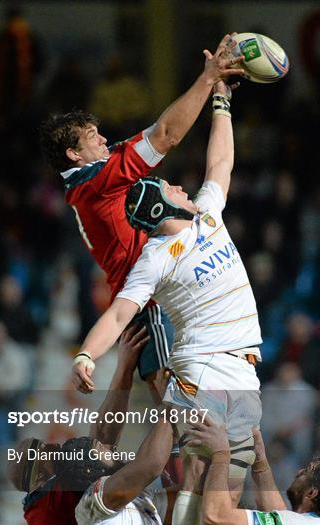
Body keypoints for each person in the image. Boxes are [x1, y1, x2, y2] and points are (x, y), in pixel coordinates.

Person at [71, 77, 263, 525]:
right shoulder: (154, 261)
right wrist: (85, 354)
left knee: (223, 499)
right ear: (157, 207)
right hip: (201, 368)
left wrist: (223, 103)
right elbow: (118, 314)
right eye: (169, 186)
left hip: (245, 370)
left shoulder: (207, 213)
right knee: (187, 471)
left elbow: (221, 162)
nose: (179, 185)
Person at [39, 34, 244, 395]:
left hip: (163, 287)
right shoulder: (98, 181)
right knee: (176, 411)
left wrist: (220, 101)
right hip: (148, 300)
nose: (104, 139)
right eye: (92, 136)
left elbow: (192, 150)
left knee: (186, 416)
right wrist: (208, 78)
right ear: (73, 154)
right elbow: (166, 135)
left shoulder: (97, 175)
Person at [7, 325, 158, 525]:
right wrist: (173, 405)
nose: (52, 445)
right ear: (39, 475)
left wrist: (124, 367)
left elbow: (102, 435)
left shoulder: (54, 491)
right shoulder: (51, 499)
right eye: (41, 449)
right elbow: (106, 439)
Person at [186, 414, 320, 525]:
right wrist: (261, 465)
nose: (298, 472)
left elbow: (217, 518)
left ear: (312, 493)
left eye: (306, 472)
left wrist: (220, 454)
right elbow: (283, 521)